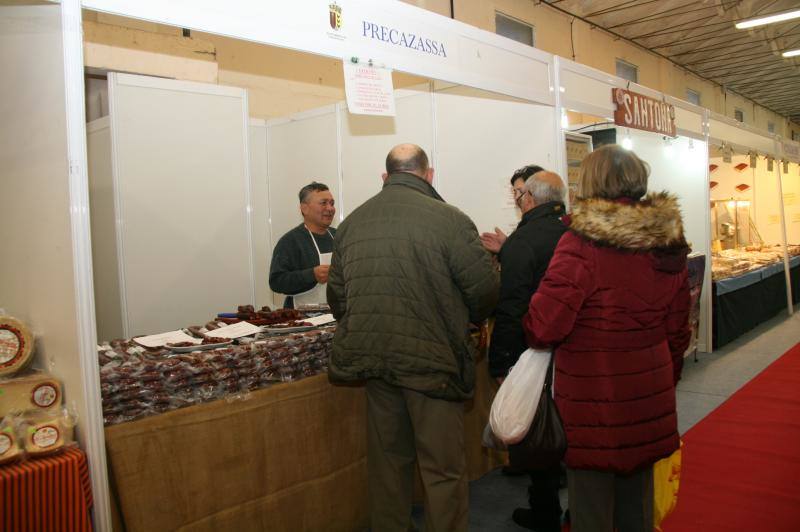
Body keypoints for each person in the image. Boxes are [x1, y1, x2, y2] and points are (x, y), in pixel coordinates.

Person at [327, 143, 499, 532]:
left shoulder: (353, 222)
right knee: (441, 470)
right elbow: (485, 293)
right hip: (432, 364)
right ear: (429, 174)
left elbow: (338, 298)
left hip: (375, 362)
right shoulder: (451, 221)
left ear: (385, 177)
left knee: (388, 465)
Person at [522, 145, 691, 532]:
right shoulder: (667, 241)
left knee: (593, 510)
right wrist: (665, 377)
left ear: (591, 182)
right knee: (638, 510)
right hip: (649, 390)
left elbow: (544, 326)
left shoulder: (582, 243)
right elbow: (679, 328)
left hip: (595, 399)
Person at [488, 169, 567, 532]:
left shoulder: (524, 241)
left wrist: (500, 361)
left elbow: (512, 307)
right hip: (573, 349)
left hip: (533, 348)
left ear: (530, 199)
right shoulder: (575, 233)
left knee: (538, 432)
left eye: (519, 196)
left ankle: (545, 510)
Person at [268, 182, 336, 308]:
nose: (330, 208)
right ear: (304, 208)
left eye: (332, 203)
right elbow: (276, 282)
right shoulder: (290, 241)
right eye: (323, 203)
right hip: (302, 319)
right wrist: (312, 275)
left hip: (337, 316)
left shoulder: (339, 236)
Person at [480, 165, 545, 254]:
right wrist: (507, 245)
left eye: (521, 191)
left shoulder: (544, 228)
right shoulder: (526, 227)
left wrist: (507, 248)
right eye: (515, 192)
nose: (517, 198)